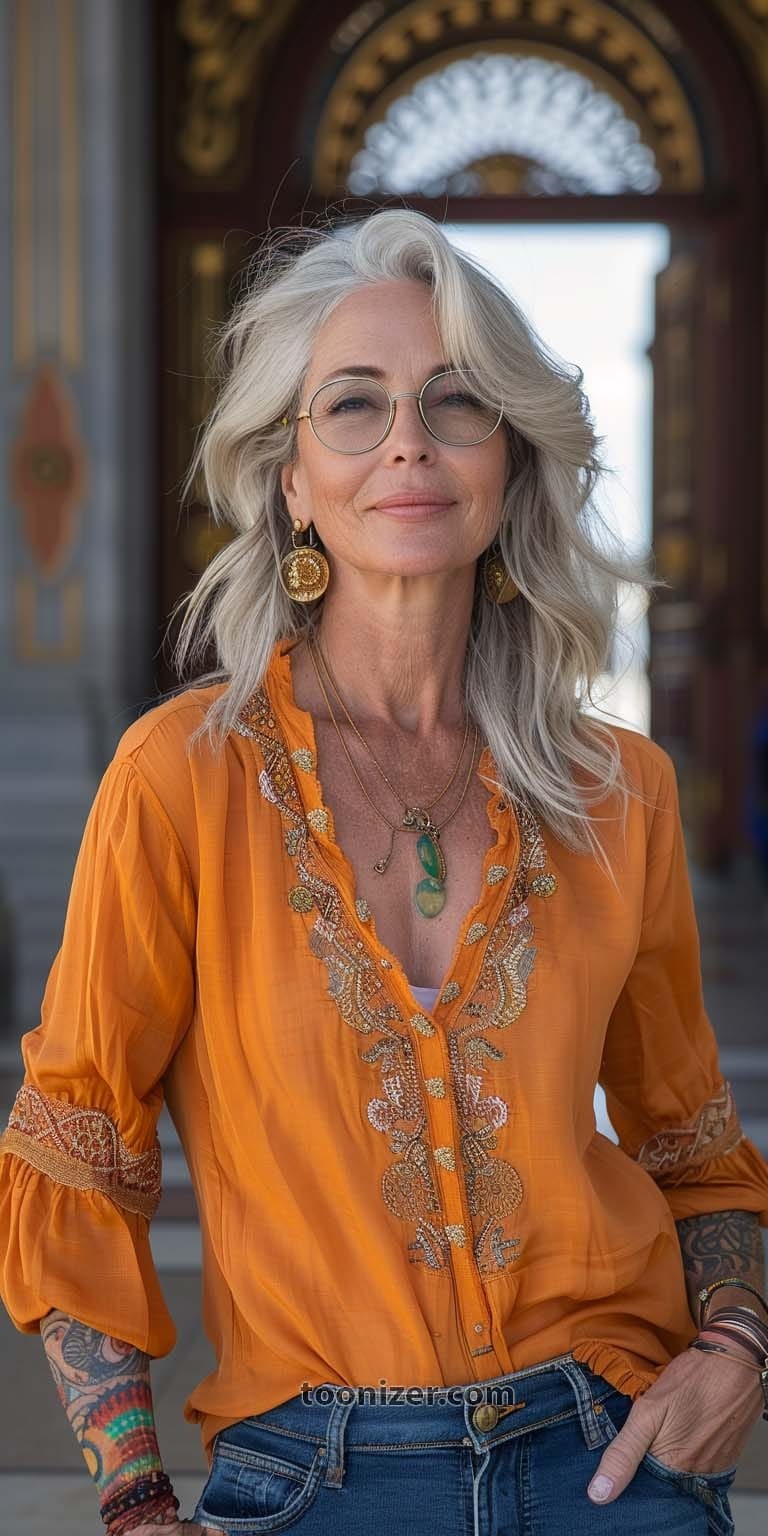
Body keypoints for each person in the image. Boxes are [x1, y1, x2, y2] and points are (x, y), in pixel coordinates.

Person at [1, 208, 767, 1536]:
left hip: (613, 1454)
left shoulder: (618, 792)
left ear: (509, 460)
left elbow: (692, 1149)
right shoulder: (180, 779)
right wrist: (132, 1499)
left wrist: (739, 1349)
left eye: (455, 401)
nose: (407, 440)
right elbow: (76, 1152)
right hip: (315, 1476)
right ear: (291, 478)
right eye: (354, 404)